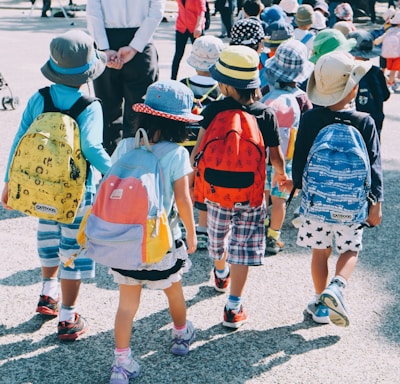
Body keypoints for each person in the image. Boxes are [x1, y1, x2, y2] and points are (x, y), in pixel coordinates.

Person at [1, 30, 112, 340]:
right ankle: (67, 316)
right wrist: (115, 172)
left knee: (48, 241)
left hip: (39, 187)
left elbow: (19, 140)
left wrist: (10, 181)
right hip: (76, 194)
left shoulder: (40, 98)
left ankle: (47, 294)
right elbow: (91, 148)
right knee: (72, 250)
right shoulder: (89, 105)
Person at [107, 80, 198, 383]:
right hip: (161, 244)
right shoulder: (176, 154)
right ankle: (181, 337)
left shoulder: (124, 146)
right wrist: (193, 233)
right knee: (174, 291)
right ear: (180, 124)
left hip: (124, 242)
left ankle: (121, 364)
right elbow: (184, 200)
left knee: (127, 304)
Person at [190, 45, 288, 328]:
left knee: (217, 238)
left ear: (223, 83)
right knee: (242, 248)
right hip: (251, 193)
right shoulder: (265, 114)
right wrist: (281, 175)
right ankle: (233, 306)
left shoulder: (212, 110)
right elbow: (275, 155)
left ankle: (220, 271)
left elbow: (198, 152)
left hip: (216, 192)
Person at [291, 51, 383, 327]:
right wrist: (375, 201)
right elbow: (373, 164)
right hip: (351, 205)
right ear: (353, 87)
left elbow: (299, 164)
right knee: (350, 250)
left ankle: (321, 305)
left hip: (317, 204)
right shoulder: (365, 121)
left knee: (320, 252)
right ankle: (337, 287)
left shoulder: (310, 119)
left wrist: (299, 190)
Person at [86, 0, 166, 155]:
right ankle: (136, 165)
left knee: (107, 113)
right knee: (140, 112)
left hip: (107, 38)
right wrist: (136, 46)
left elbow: (93, 12)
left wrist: (104, 48)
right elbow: (157, 10)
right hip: (141, 44)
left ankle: (110, 168)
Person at [261, 39, 314, 253]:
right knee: (279, 199)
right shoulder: (302, 98)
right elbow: (308, 126)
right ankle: (273, 237)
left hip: (262, 157)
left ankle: (256, 231)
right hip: (287, 159)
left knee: (261, 196)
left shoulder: (265, 91)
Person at [180, 35, 225, 249]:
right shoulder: (221, 90)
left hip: (181, 146)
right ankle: (203, 228)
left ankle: (182, 223)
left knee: (184, 185)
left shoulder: (183, 86)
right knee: (205, 187)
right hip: (208, 147)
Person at [348, 30, 391, 140]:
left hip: (352, 121)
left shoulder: (348, 72)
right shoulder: (376, 72)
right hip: (374, 120)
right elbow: (385, 95)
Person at [171, 0, 207, 80]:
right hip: (181, 27)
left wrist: (198, 26)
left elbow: (201, 10)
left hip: (195, 28)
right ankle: (173, 79)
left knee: (200, 55)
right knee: (178, 54)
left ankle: (202, 78)